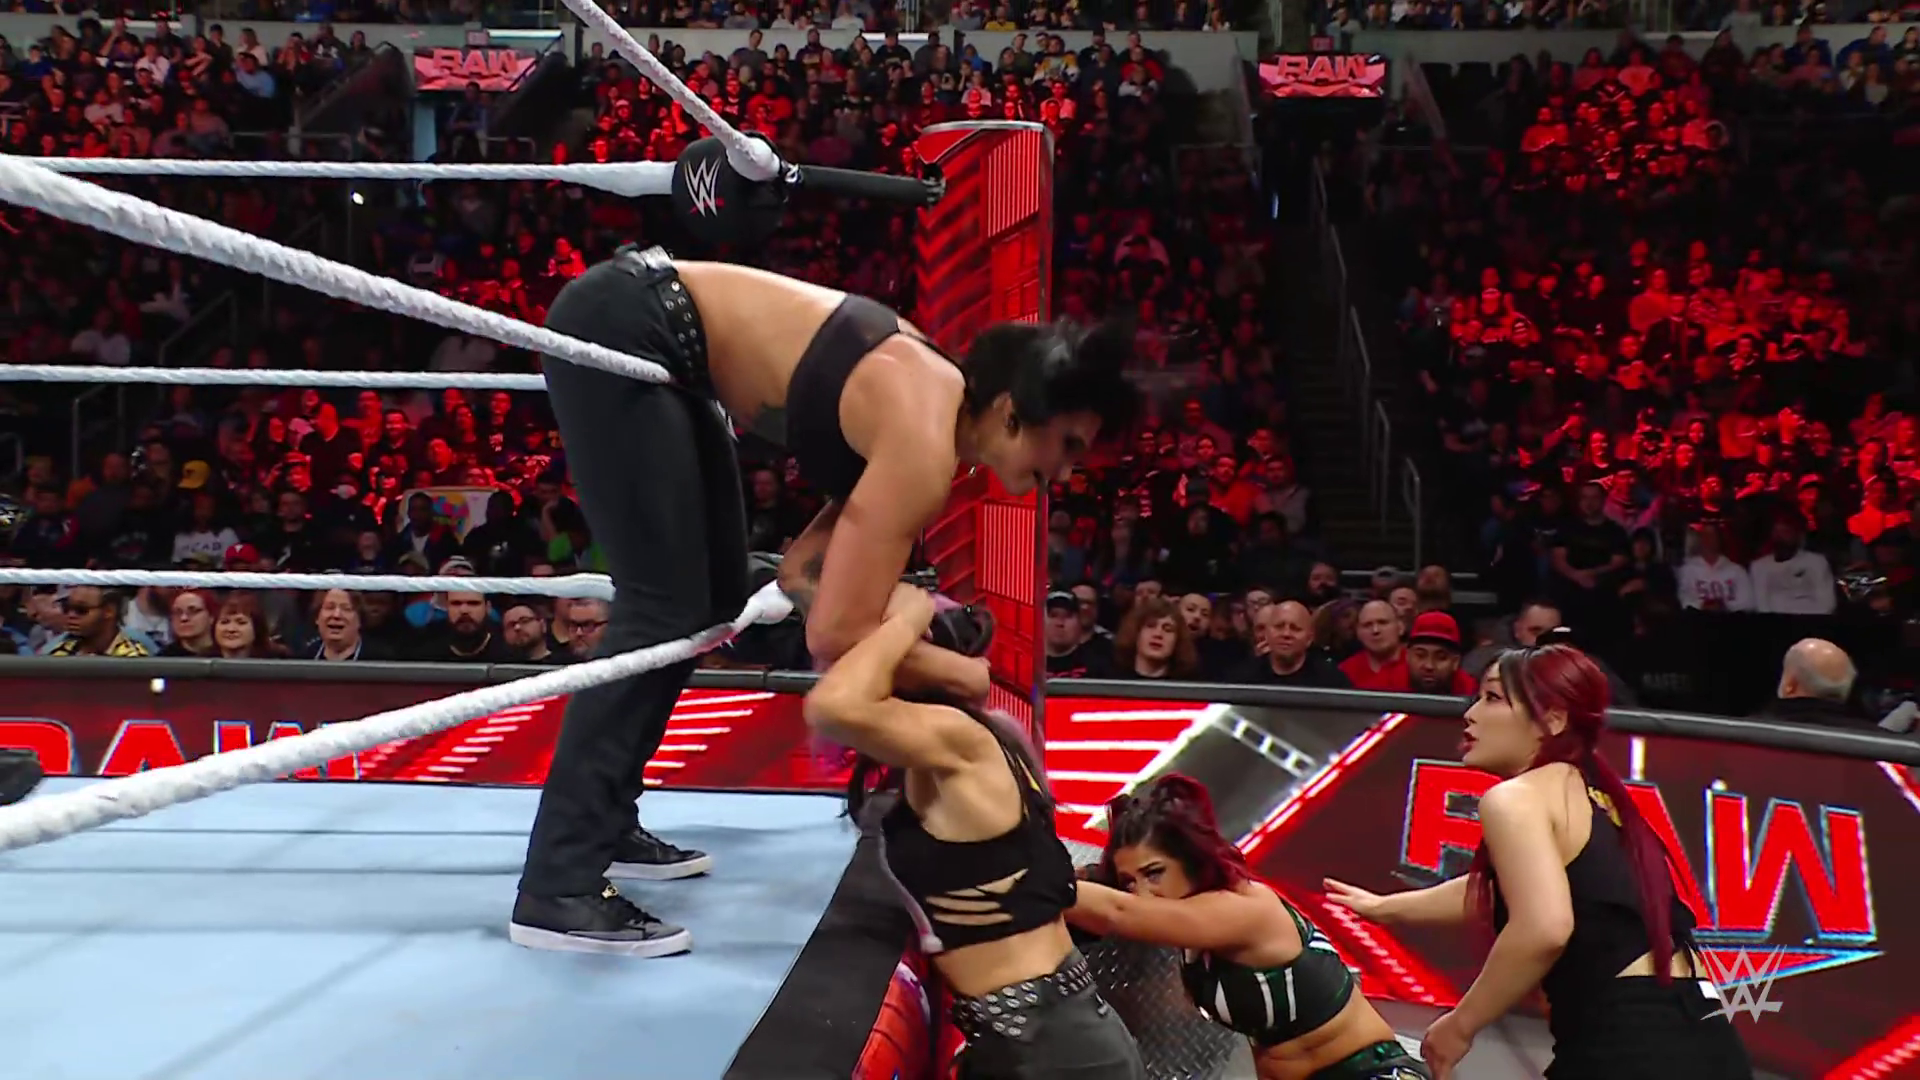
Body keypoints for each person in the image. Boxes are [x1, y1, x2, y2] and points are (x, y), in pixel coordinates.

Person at [514, 246, 1139, 956]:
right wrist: (950, 663)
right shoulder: (923, 440)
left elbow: (804, 571)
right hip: (629, 321)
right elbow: (835, 635)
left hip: (658, 334)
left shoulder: (933, 415)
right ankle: (558, 883)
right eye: (1068, 445)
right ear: (1011, 412)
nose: (1066, 472)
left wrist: (896, 629)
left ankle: (604, 821)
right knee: (662, 606)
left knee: (706, 601)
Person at [1325, 646, 1752, 1080]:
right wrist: (1386, 907)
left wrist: (1460, 1025)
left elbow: (1543, 926)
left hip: (1633, 1044)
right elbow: (1500, 890)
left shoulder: (1517, 798)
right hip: (1705, 1036)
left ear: (1553, 719)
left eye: (1493, 698)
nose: (1470, 714)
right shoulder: (1588, 792)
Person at [806, 583, 1146, 1079]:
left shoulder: (963, 739)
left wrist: (905, 620)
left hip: (1058, 1048)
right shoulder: (958, 744)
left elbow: (831, 706)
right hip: (1028, 1035)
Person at [1069, 775, 1430, 1080]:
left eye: (1154, 873)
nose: (1143, 893)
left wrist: (1042, 881)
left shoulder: (1242, 907)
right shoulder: (1187, 928)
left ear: (1191, 860)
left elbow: (1119, 912)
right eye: (1130, 882)